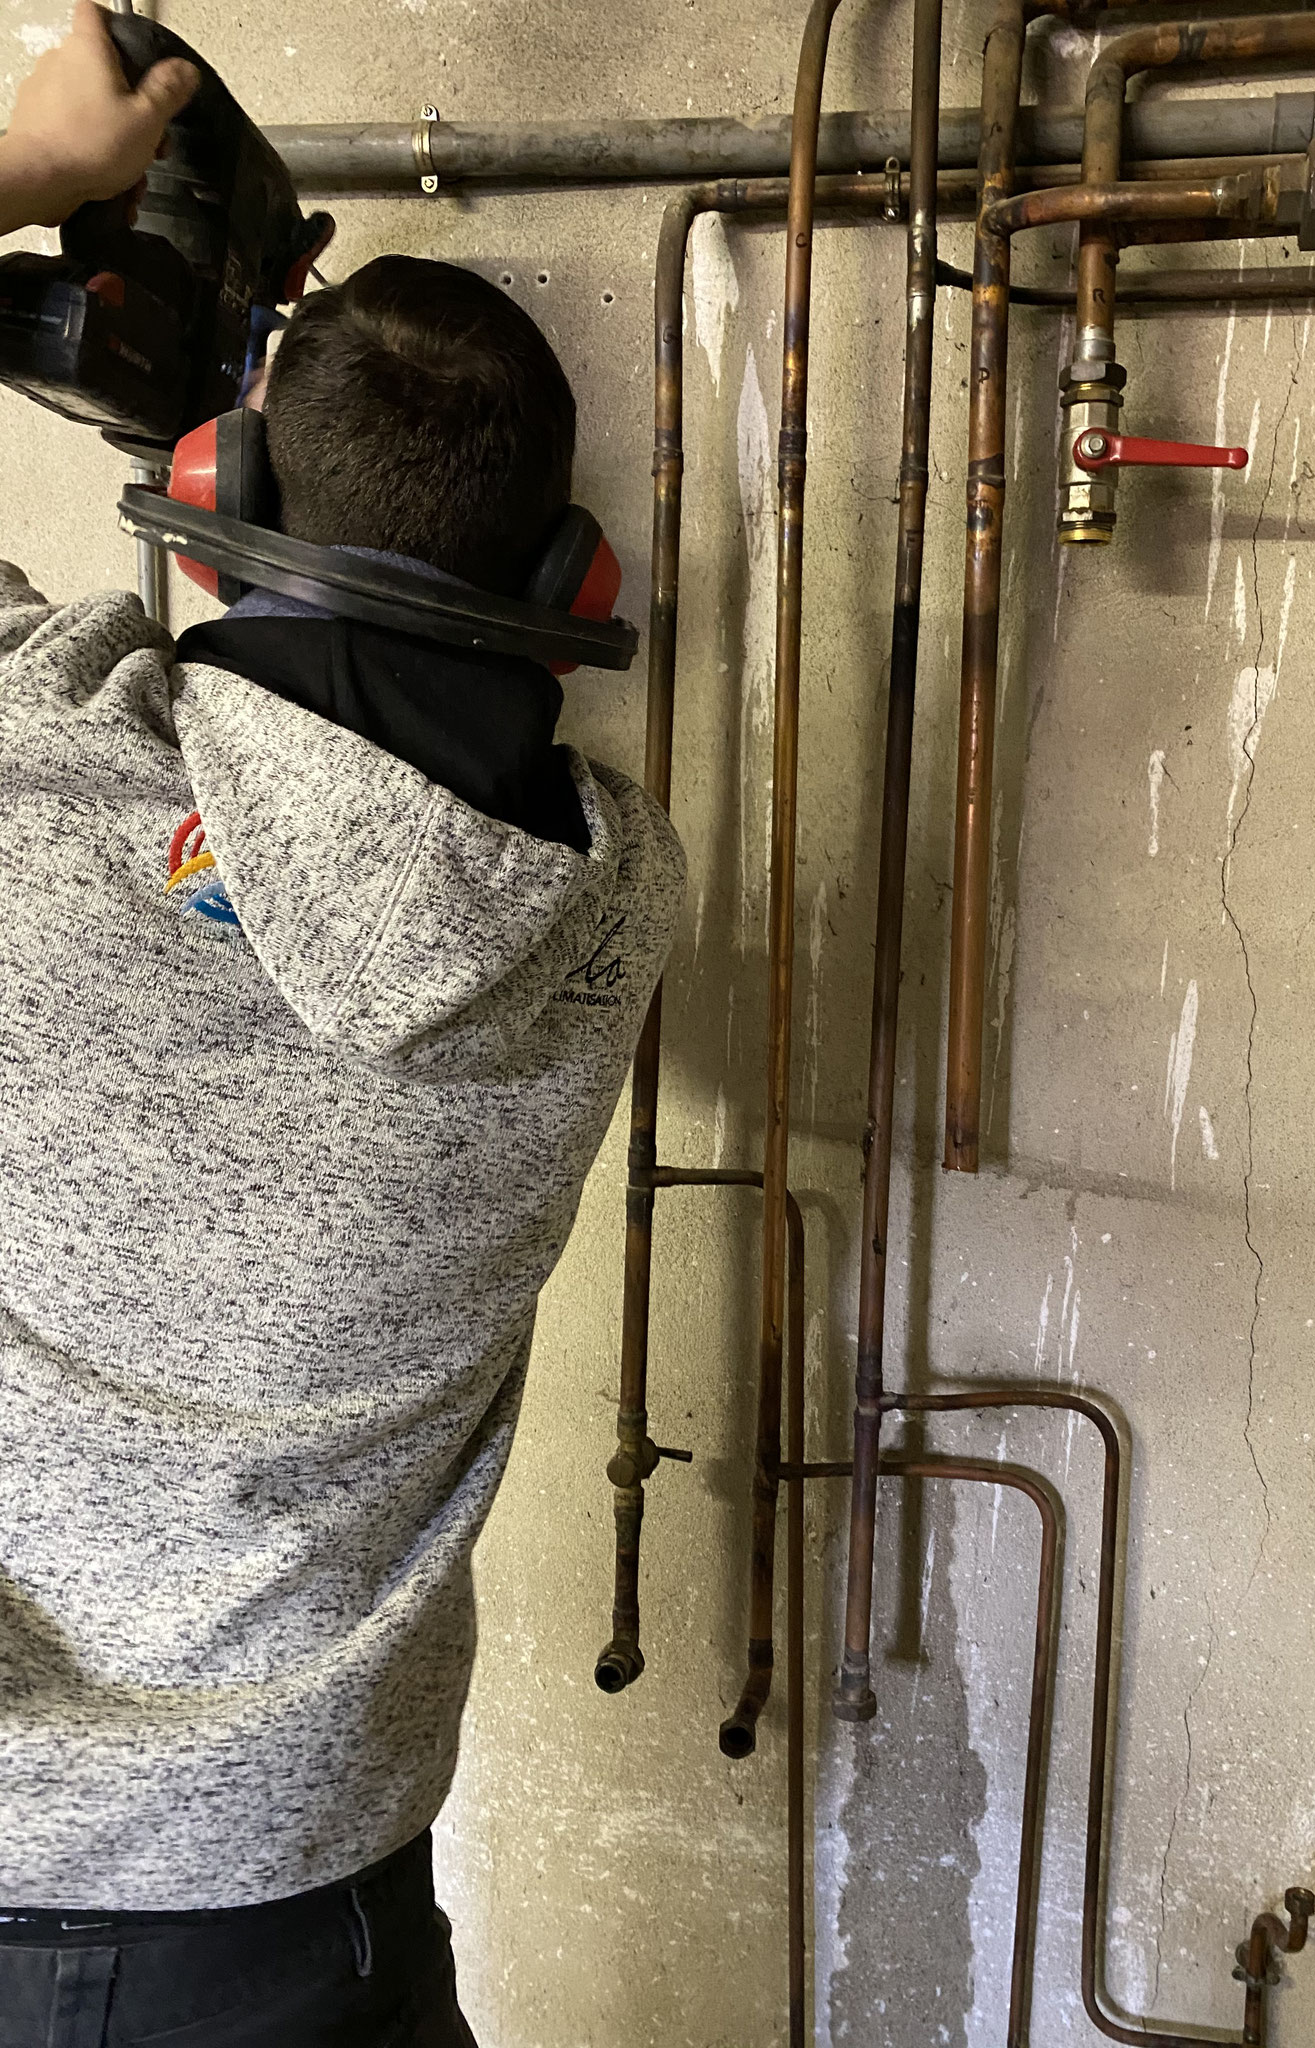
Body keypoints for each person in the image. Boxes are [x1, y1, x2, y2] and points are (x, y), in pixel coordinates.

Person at [0, 8, 684, 2045]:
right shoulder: (617, 908)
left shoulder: (38, 787)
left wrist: (36, 179)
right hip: (326, 1914)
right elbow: (360, 788)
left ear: (217, 485)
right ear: (569, 573)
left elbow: (238, 756)